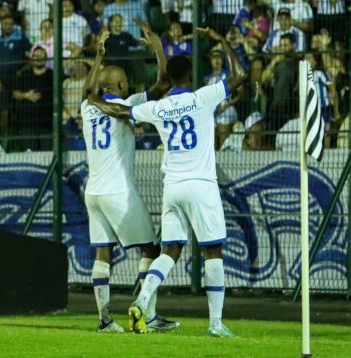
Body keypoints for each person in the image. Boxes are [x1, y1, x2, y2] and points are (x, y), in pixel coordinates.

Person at [90, 27, 247, 337]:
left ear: (172, 79)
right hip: (201, 183)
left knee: (168, 251)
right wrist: (223, 40)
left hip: (172, 187)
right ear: (190, 75)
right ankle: (215, 323)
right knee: (212, 252)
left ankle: (142, 301)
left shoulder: (158, 107)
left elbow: (123, 112)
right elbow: (240, 75)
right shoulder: (203, 96)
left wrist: (94, 101)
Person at [80, 27, 176, 333]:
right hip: (117, 191)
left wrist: (97, 57)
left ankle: (105, 319)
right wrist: (159, 50)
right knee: (151, 250)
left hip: (92, 191)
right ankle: (146, 314)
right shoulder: (127, 104)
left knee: (102, 253)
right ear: (121, 84)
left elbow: (87, 90)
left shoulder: (87, 106)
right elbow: (164, 86)